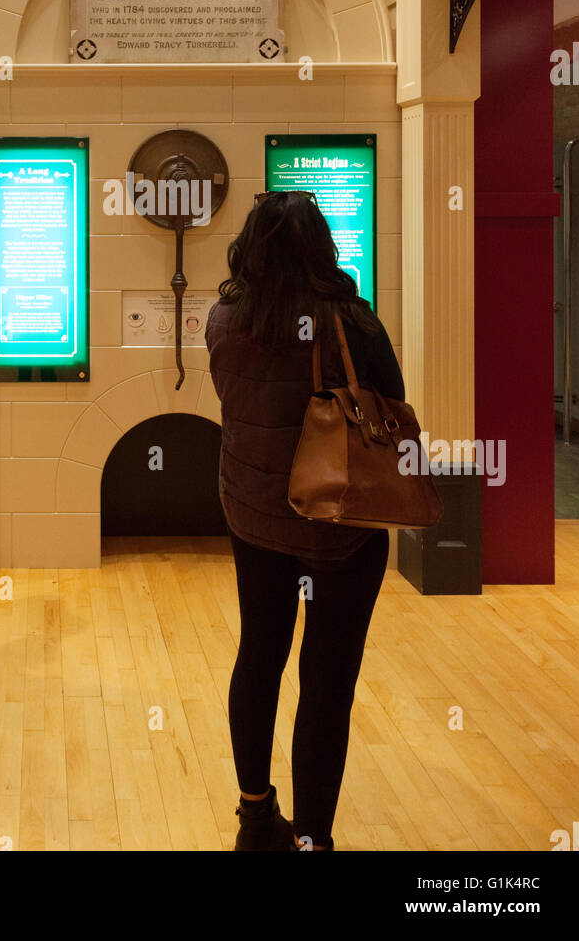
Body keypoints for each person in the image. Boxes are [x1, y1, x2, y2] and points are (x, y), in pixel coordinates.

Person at [205, 191, 403, 852]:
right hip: (338, 523)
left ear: (250, 248)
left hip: (254, 513)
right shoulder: (353, 321)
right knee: (326, 677)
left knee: (259, 653)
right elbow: (392, 406)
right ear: (320, 245)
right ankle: (314, 838)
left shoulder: (225, 319)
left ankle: (256, 819)